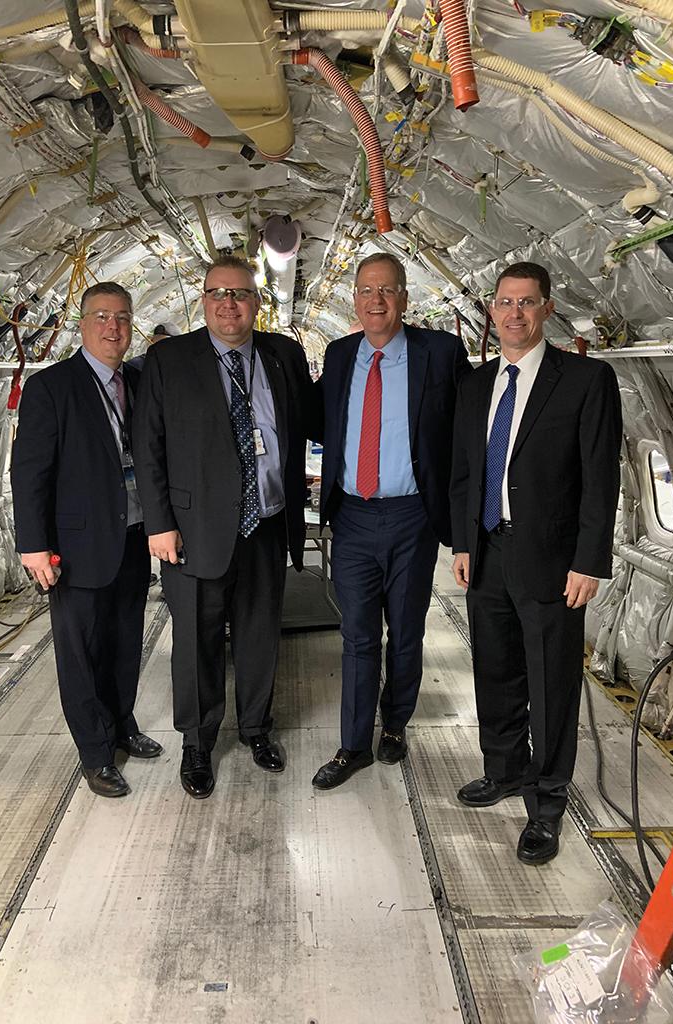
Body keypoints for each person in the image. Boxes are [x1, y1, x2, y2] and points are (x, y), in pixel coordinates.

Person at [450, 261, 622, 864]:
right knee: (495, 670)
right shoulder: (475, 386)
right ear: (491, 311)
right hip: (489, 549)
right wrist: (464, 542)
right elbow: (465, 472)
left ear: (546, 308)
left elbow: (600, 480)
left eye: (526, 303)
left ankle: (546, 804)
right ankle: (503, 770)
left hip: (552, 559)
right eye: (504, 303)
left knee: (551, 682)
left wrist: (589, 560)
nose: (514, 314)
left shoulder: (584, 380)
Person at [132, 255, 320, 799]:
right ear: (203, 300)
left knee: (261, 632)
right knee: (197, 639)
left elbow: (303, 423)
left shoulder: (283, 354)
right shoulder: (169, 360)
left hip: (264, 522)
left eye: (239, 294)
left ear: (257, 302)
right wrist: (160, 524)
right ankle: (197, 742)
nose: (229, 304)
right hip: (192, 530)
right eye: (218, 293)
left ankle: (256, 728)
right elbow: (149, 450)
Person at [312, 253, 471, 790]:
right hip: (353, 516)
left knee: (405, 631)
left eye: (387, 290)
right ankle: (353, 743)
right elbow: (320, 420)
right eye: (365, 291)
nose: (375, 301)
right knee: (357, 635)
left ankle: (395, 726)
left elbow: (468, 428)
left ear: (405, 297)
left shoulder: (442, 352)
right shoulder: (337, 355)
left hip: (413, 517)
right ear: (354, 300)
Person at [11, 282, 162, 798]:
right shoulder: (53, 386)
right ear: (82, 322)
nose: (113, 327)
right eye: (102, 316)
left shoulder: (138, 381)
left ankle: (123, 726)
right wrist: (33, 546)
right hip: (76, 545)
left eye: (122, 317)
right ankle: (95, 754)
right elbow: (29, 472)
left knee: (124, 642)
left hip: (133, 534)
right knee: (80, 652)